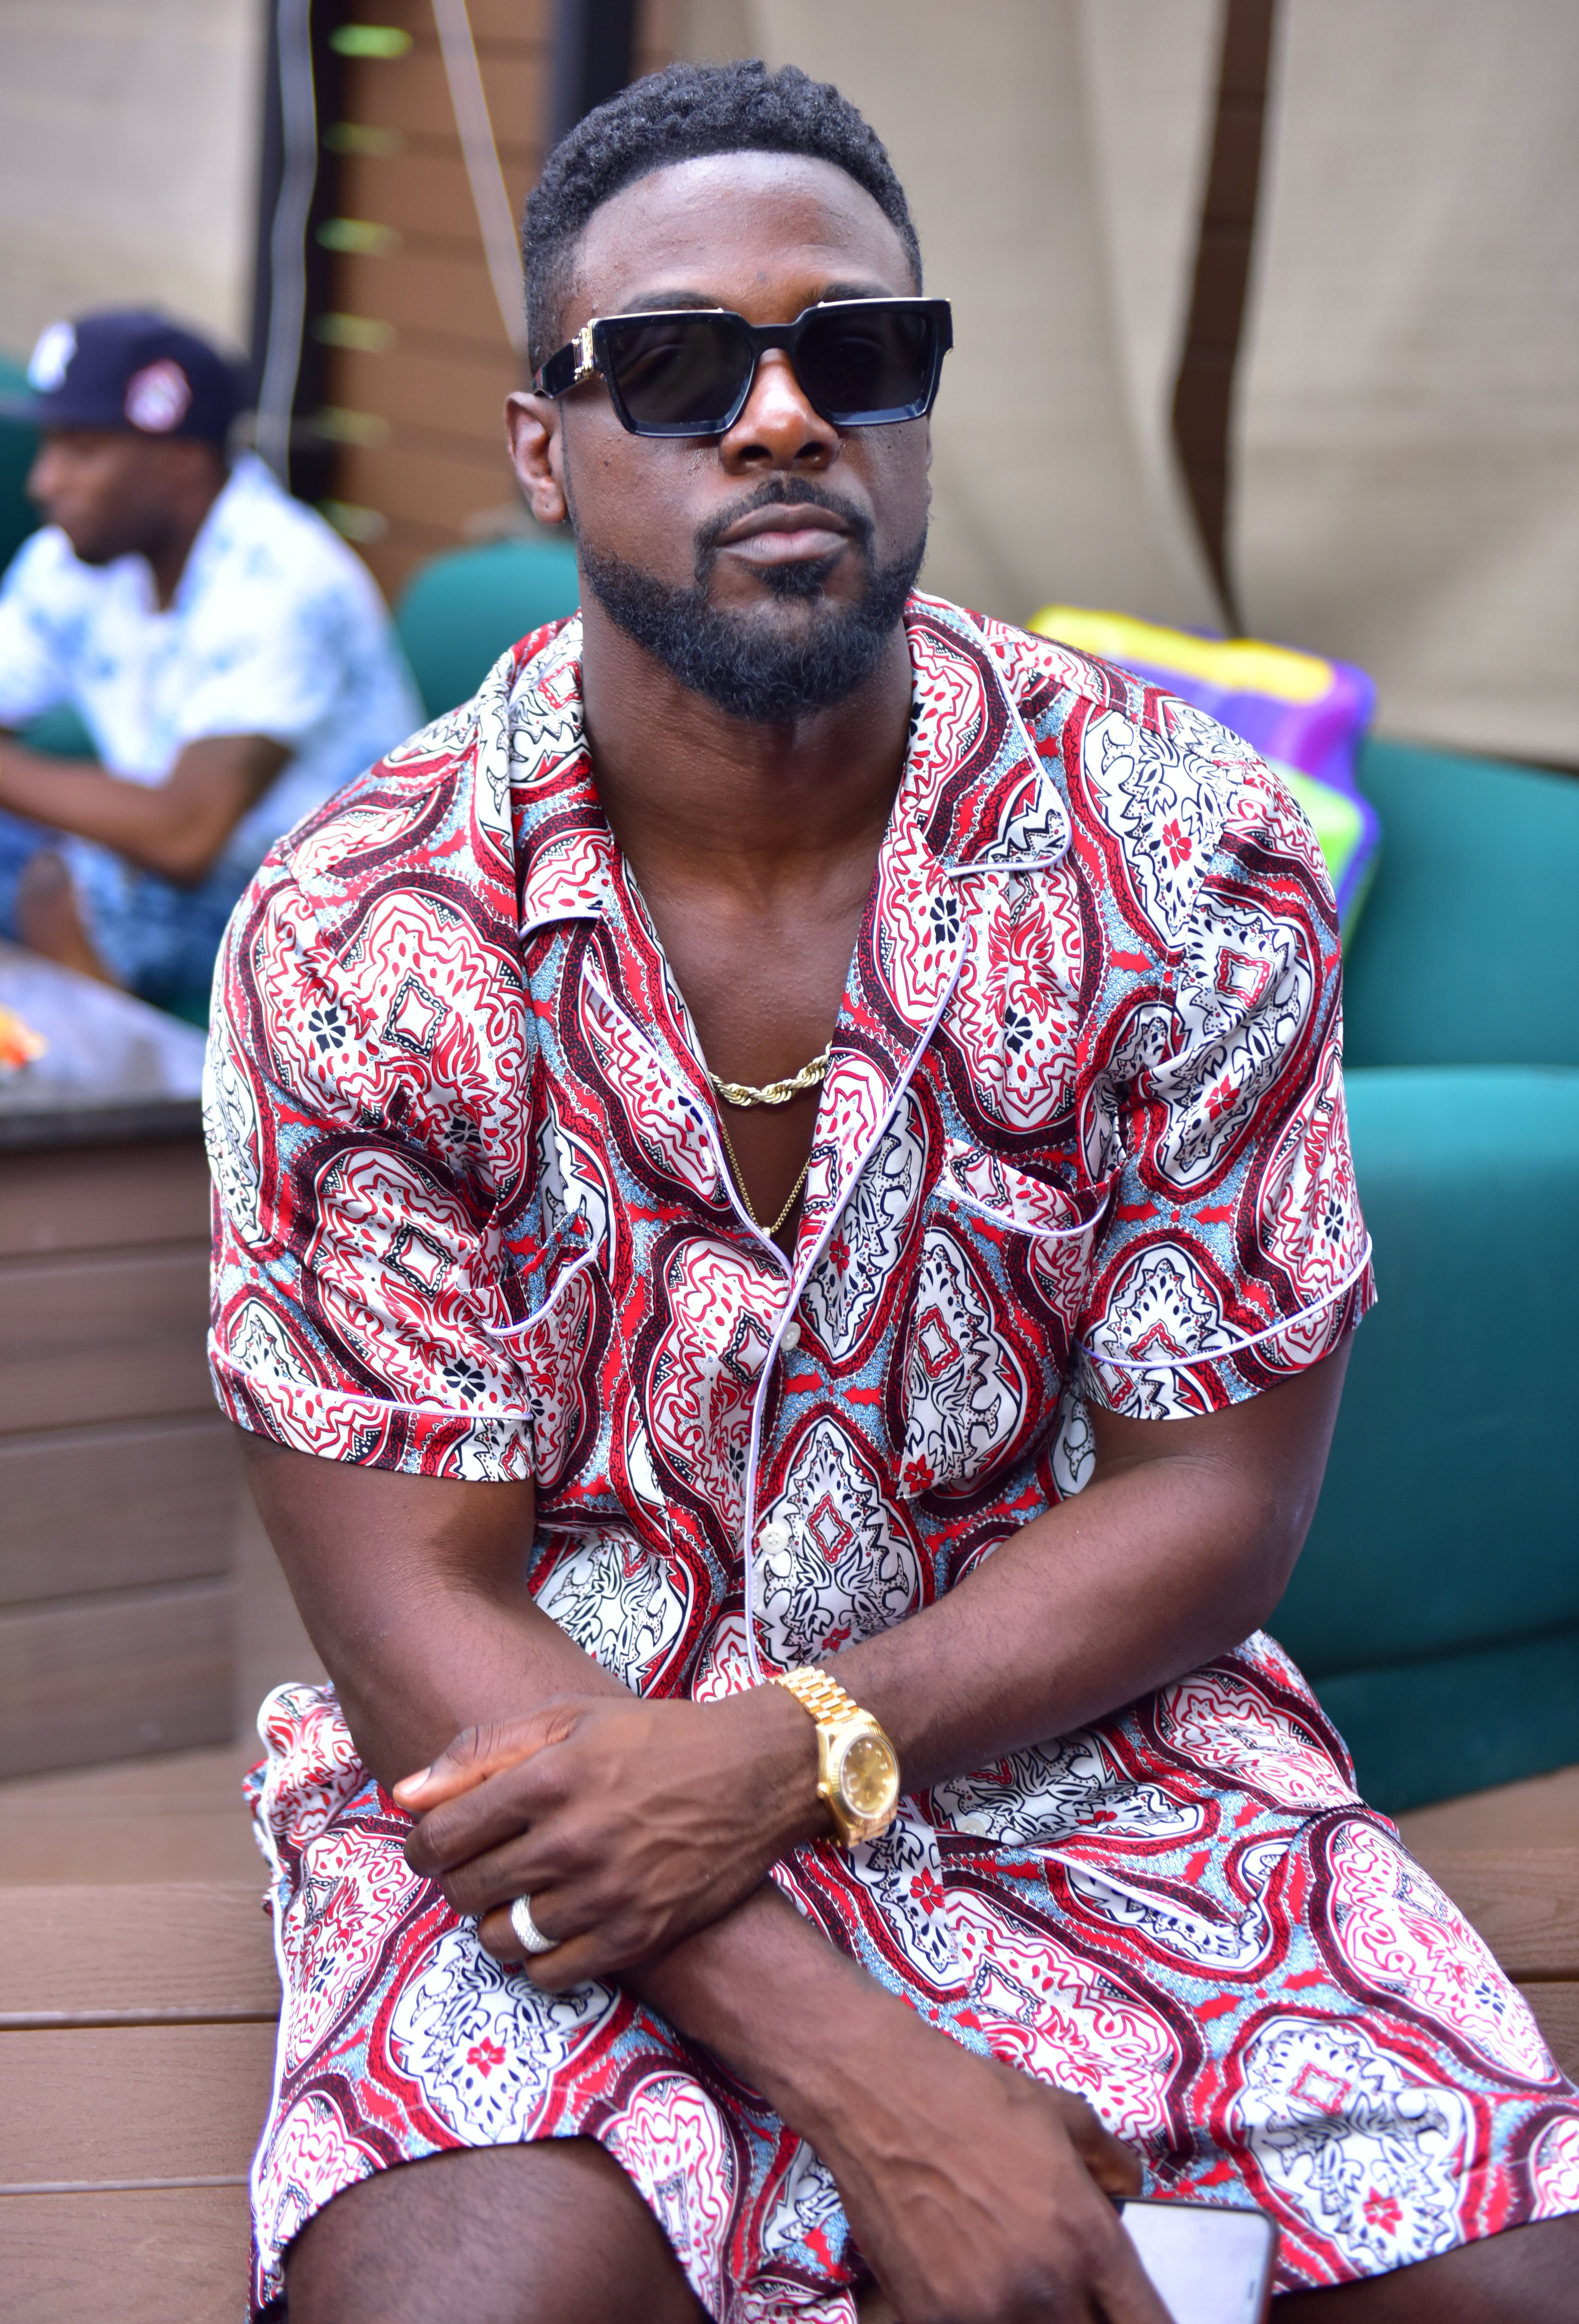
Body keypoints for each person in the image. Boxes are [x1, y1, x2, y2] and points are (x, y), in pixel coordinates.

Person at [206, 60, 1579, 2324]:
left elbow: (1212, 1496)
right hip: (524, 1765)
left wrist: (791, 1744)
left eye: (850, 352)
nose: (775, 418)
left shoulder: (1187, 862)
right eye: (670, 364)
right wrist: (866, 2066)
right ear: (546, 442)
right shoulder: (362, 929)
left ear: (918, 397)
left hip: (1083, 1746)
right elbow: (406, 1605)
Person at [0, 309, 419, 1011]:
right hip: (188, 864)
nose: (44, 483)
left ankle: (130, 1114)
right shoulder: (73, 559)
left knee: (60, 889)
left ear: (180, 457)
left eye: (81, 450)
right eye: (49, 447)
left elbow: (184, 832)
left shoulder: (283, 578)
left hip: (338, 916)